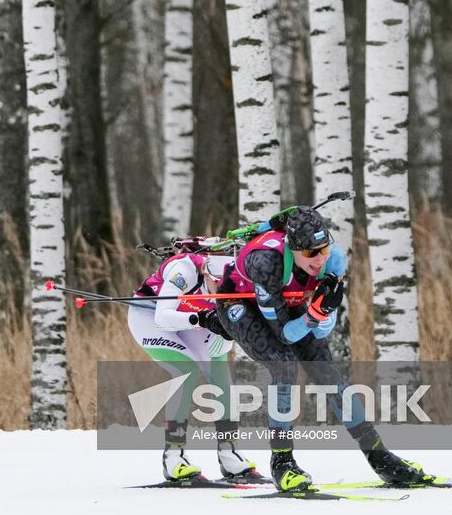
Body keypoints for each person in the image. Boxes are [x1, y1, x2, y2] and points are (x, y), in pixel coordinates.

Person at [218, 204, 434, 492]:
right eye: (310, 253)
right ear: (292, 247)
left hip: (285, 304)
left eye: (323, 248)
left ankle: (379, 456)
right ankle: (282, 463)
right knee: (284, 365)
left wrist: (320, 315)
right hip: (240, 302)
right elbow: (284, 336)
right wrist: (312, 315)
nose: (319, 259)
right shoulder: (266, 262)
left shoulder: (333, 261)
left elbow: (321, 329)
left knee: (328, 375)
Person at [128, 247, 262, 484]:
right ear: (206, 272)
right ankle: (173, 459)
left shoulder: (238, 280)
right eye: (217, 284)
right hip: (150, 317)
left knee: (219, 370)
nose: (222, 290)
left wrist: (226, 332)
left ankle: (229, 455)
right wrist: (202, 319)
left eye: (227, 285)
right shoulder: (184, 271)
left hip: (192, 320)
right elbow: (163, 317)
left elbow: (222, 343)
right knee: (187, 371)